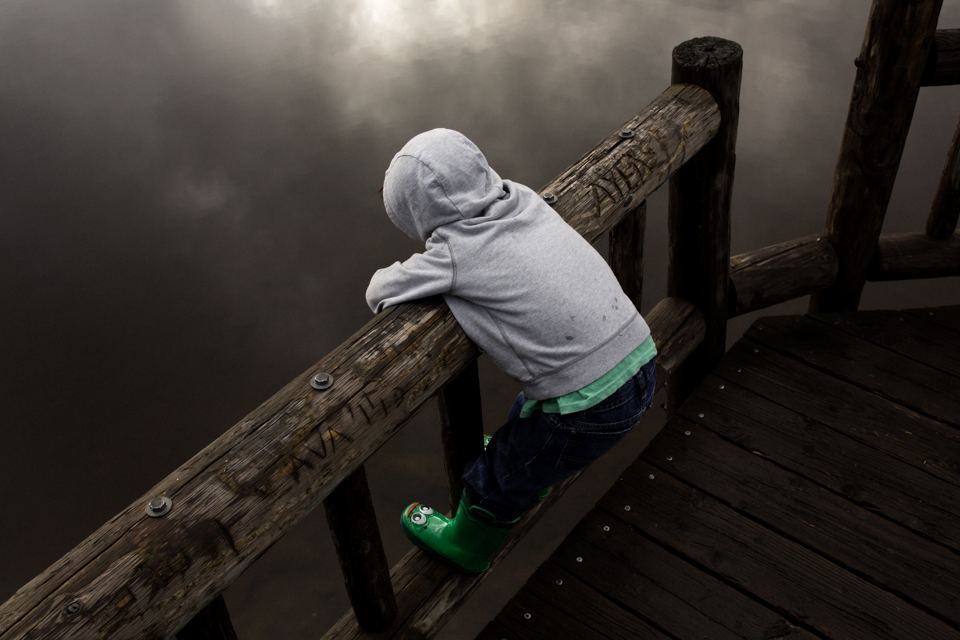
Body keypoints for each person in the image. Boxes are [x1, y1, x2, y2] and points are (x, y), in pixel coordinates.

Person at [366, 128, 656, 575]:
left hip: (592, 408)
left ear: (416, 214)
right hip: (641, 359)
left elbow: (381, 291)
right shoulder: (523, 199)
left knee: (495, 477)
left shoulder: (455, 252)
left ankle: (466, 545)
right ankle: (532, 466)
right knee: (531, 412)